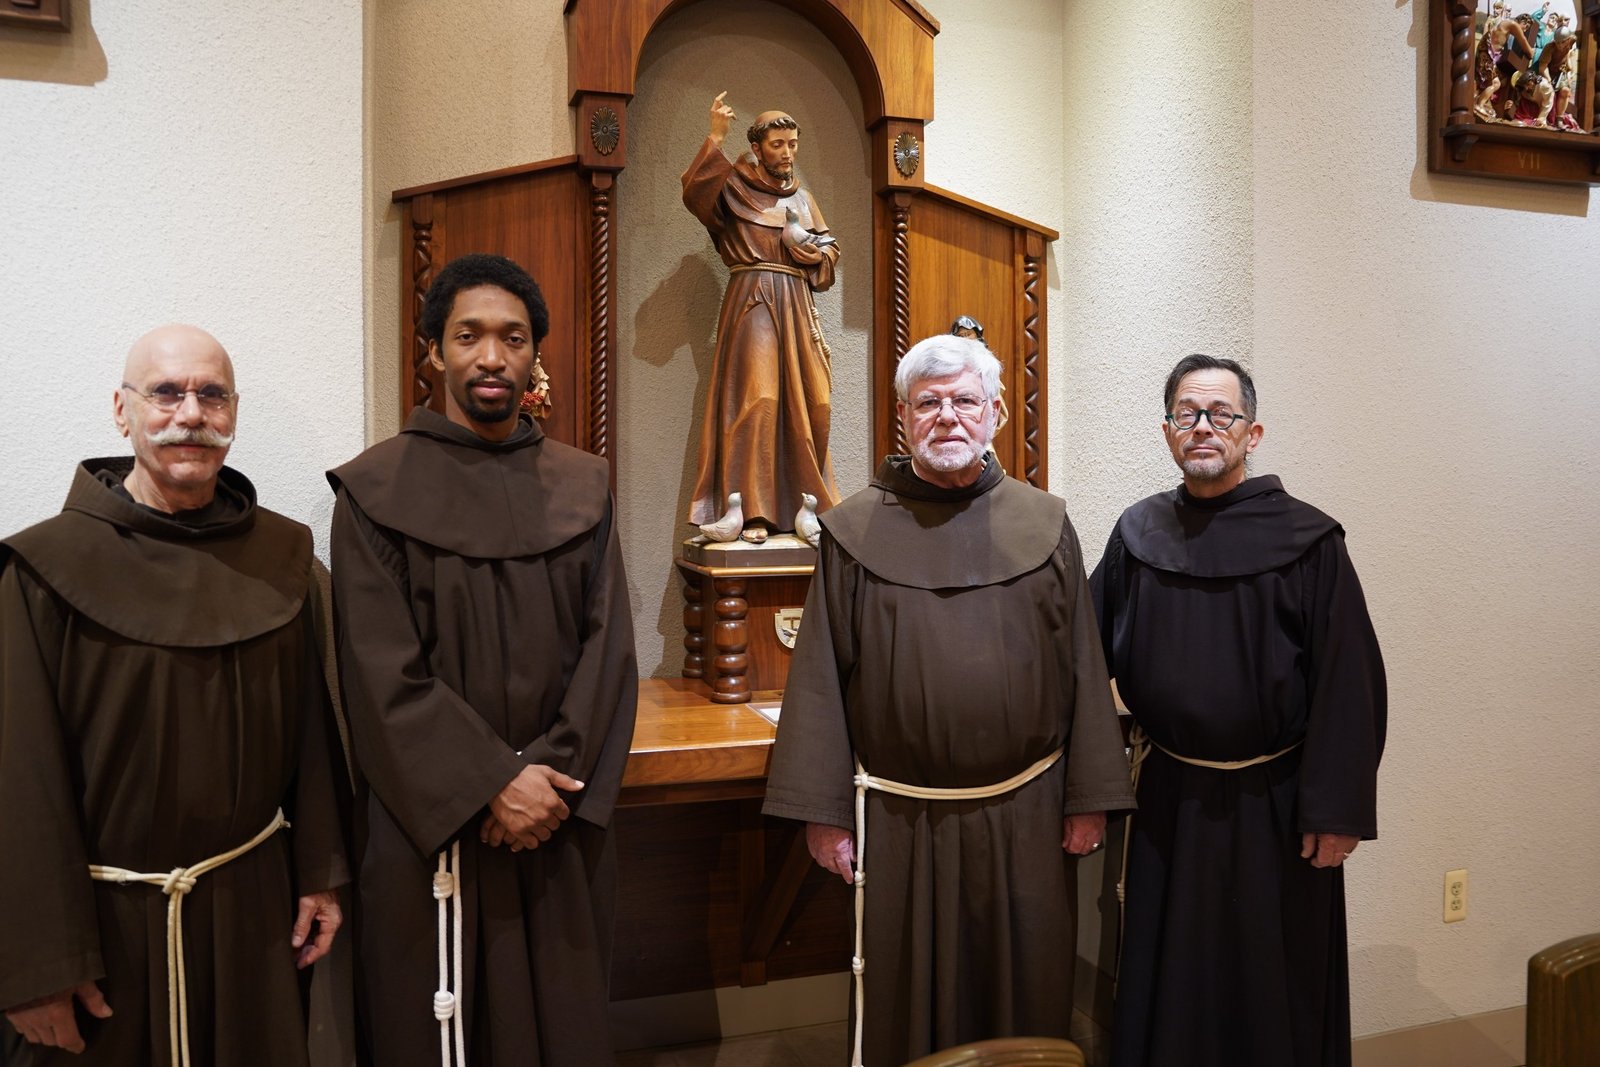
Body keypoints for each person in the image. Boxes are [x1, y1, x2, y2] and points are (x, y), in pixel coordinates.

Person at [762, 334, 1135, 1067]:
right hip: (900, 818)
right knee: (907, 996)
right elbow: (819, 683)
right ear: (904, 419)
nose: (947, 417)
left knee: (1026, 987)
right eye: (927, 403)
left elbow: (1085, 668)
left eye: (964, 400)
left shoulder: (1046, 523)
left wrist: (1088, 796)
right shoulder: (853, 532)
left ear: (995, 412)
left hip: (1027, 810)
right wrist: (823, 814)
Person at [0, 324, 350, 1065]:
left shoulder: (283, 557)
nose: (190, 413)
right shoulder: (43, 570)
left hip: (254, 913)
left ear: (233, 412)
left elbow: (316, 732)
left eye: (211, 394)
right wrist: (38, 964)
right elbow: (17, 781)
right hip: (104, 928)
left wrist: (320, 871)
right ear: (121, 412)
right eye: (165, 392)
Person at [328, 253, 637, 1067]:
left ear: (537, 354)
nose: (491, 356)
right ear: (433, 349)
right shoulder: (373, 491)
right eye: (468, 335)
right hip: (431, 830)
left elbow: (608, 651)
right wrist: (492, 783)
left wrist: (546, 782)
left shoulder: (584, 483)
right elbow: (379, 672)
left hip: (557, 824)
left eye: (513, 337)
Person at [1092, 354, 1386, 1067]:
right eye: (1187, 414)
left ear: (1252, 433)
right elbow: (1078, 658)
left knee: (1271, 978)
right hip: (1168, 798)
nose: (1203, 426)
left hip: (1277, 808)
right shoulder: (1138, 535)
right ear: (1167, 433)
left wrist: (1336, 809)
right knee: (1169, 971)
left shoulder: (1310, 541)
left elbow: (1351, 682)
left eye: (1220, 414)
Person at [683, 91, 842, 543]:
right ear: (757, 148)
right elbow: (696, 194)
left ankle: (804, 505)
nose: (787, 152)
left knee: (816, 402)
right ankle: (749, 509)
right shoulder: (733, 186)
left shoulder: (804, 199)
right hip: (753, 296)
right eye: (778, 145)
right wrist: (715, 136)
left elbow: (830, 255)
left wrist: (810, 252)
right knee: (760, 397)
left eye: (793, 144)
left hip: (796, 303)